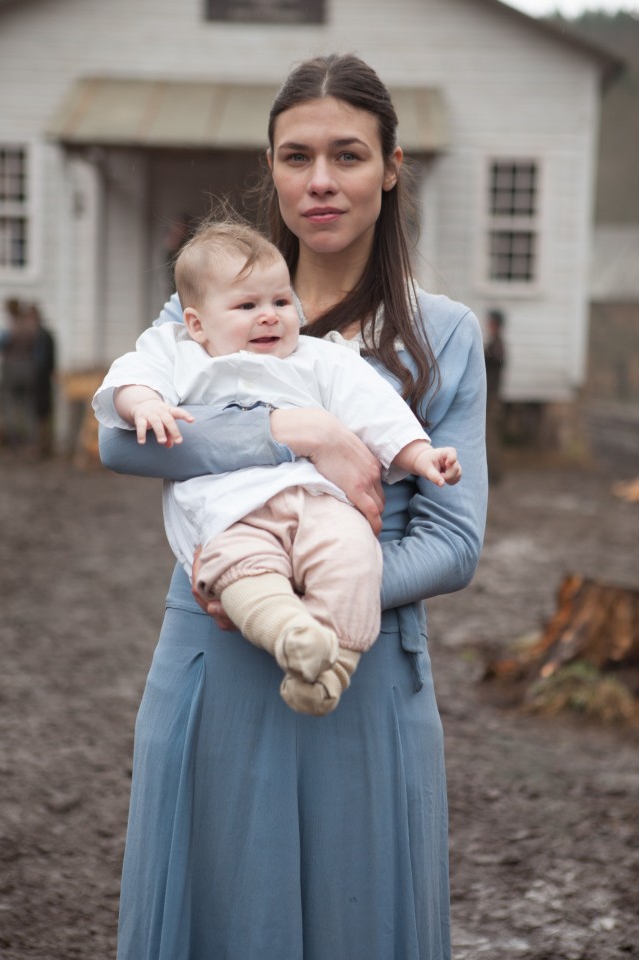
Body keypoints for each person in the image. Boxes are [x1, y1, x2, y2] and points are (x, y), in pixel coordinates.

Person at [99, 53, 487, 960]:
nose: (320, 181)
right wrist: (297, 428)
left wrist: (310, 604)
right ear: (270, 167)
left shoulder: (444, 336)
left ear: (392, 167)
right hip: (213, 646)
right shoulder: (205, 309)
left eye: (348, 155)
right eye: (295, 156)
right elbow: (122, 440)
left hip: (363, 663)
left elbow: (454, 543)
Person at [93, 218, 462, 716]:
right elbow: (132, 377)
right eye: (247, 306)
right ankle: (291, 633)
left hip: (317, 501)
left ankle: (334, 664)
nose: (269, 317)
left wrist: (420, 454)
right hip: (229, 508)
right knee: (243, 568)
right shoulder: (178, 349)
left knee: (355, 555)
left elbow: (377, 410)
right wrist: (143, 405)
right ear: (198, 323)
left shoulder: (319, 359)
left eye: (281, 303)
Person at [0, 298, 55, 457]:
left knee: (9, 407)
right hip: (29, 371)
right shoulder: (31, 329)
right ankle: (31, 443)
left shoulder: (10, 329)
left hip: (11, 370)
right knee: (29, 408)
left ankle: (14, 444)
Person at [484, 308, 507, 483]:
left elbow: (493, 361)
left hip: (492, 398)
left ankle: (494, 474)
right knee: (489, 435)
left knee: (491, 436)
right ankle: (493, 472)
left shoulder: (497, 345)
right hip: (491, 397)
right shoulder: (494, 344)